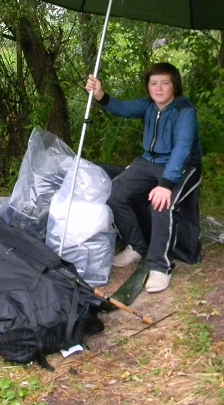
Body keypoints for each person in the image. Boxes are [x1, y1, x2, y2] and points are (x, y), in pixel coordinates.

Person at [84, 62, 201, 293]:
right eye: (153, 83)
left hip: (184, 166)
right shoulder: (148, 105)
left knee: (161, 203)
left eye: (165, 83)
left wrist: (166, 184)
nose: (159, 88)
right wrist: (100, 95)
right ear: (148, 86)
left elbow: (182, 149)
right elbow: (121, 108)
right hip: (149, 162)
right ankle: (136, 246)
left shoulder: (184, 110)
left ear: (175, 86)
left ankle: (160, 267)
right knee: (114, 194)